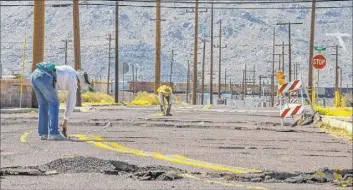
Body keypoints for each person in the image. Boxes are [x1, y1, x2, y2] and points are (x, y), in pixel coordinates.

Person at [31, 62, 90, 140]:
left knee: (43, 105)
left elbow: (54, 82)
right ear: (80, 81)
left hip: (35, 75)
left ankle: (44, 133)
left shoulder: (70, 70)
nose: (78, 85)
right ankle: (54, 133)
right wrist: (65, 122)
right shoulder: (73, 80)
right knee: (54, 104)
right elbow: (71, 102)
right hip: (45, 77)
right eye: (80, 84)